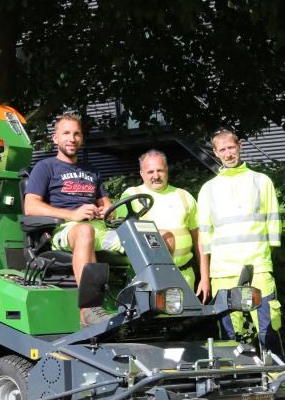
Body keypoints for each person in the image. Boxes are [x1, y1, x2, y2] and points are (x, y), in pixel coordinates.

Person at [24, 114, 124, 326]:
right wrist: (73, 214)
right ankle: (89, 309)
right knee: (85, 231)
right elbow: (30, 206)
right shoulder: (45, 167)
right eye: (66, 133)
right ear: (55, 138)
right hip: (65, 230)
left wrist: (105, 211)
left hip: (99, 229)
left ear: (82, 138)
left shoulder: (92, 171)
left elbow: (109, 208)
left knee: (147, 237)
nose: (72, 138)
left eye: (76, 133)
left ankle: (148, 301)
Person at [198, 129, 283, 355]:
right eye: (222, 149)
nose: (228, 153)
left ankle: (276, 373)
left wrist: (266, 255)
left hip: (258, 267)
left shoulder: (261, 181)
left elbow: (272, 220)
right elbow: (205, 235)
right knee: (230, 336)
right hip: (222, 271)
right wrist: (206, 276)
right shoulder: (208, 189)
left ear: (240, 146)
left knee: (268, 330)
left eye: (231, 147)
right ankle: (235, 374)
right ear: (215, 153)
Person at [119, 149, 209, 300]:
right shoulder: (131, 196)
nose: (156, 176)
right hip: (151, 280)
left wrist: (205, 278)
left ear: (166, 170)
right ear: (142, 174)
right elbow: (125, 237)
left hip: (186, 275)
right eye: (150, 172)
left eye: (159, 170)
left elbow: (199, 240)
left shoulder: (184, 196)